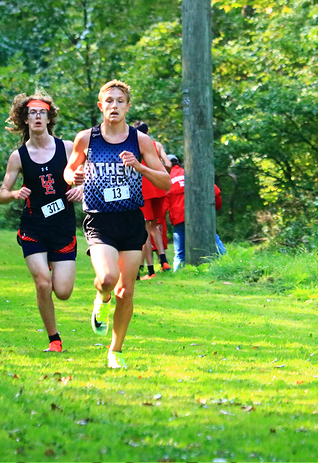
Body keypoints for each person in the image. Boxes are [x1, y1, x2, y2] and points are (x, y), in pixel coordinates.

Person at [64, 80, 171, 369]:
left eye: (119, 101)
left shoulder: (140, 141)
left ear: (127, 106)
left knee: (126, 291)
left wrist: (140, 166)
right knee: (108, 279)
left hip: (131, 220)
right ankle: (100, 298)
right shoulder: (87, 138)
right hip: (99, 219)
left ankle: (116, 351)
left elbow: (165, 181)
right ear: (101, 106)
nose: (114, 105)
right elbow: (69, 169)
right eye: (108, 101)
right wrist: (72, 178)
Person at [0, 90, 83, 353]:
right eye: (32, 112)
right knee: (43, 283)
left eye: (41, 112)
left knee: (63, 291)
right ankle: (54, 340)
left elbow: (85, 175)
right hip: (34, 227)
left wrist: (80, 189)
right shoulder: (18, 156)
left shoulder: (67, 147)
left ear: (49, 117)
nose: (37, 116)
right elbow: (1, 195)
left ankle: (49, 262)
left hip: (63, 227)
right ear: (24, 119)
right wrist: (14, 193)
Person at [166, 154, 227, 271]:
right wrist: (217, 207)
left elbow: (163, 202)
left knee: (180, 253)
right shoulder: (193, 175)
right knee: (213, 240)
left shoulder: (166, 181)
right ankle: (226, 264)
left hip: (179, 219)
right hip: (200, 216)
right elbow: (216, 191)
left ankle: (178, 272)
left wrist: (159, 221)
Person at [134, 121, 172, 280]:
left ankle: (150, 270)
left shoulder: (136, 145)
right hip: (159, 189)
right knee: (155, 225)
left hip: (144, 190)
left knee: (145, 228)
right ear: (148, 132)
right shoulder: (157, 145)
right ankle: (163, 261)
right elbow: (168, 164)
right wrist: (162, 175)